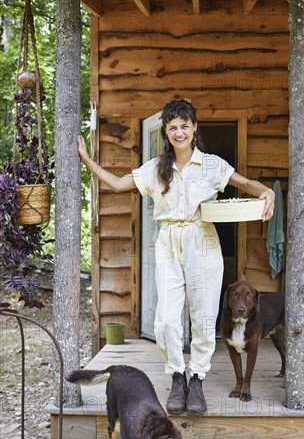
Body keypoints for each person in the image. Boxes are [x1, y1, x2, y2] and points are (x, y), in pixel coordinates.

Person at [78, 99, 275, 416]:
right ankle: (177, 377)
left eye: (185, 125)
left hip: (203, 242)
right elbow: (116, 183)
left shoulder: (211, 165)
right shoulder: (156, 168)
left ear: (194, 128)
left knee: (203, 315)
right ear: (166, 133)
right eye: (173, 127)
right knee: (167, 320)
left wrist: (268, 192)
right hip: (168, 243)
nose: (179, 132)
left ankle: (197, 378)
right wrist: (88, 159)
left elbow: (246, 184)